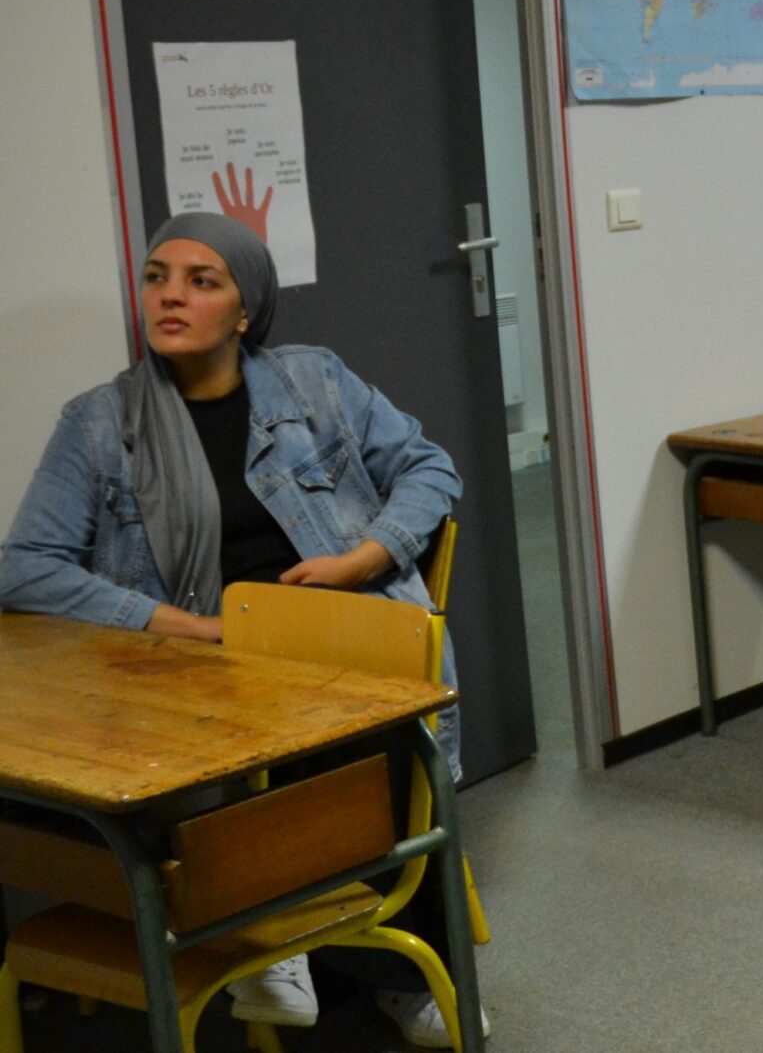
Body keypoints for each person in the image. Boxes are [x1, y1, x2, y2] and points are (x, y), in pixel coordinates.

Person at [0, 212, 477, 1046]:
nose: (171, 296)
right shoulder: (99, 423)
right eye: (157, 277)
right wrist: (176, 625)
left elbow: (429, 466)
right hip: (197, 662)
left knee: (361, 734)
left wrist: (364, 558)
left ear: (246, 309)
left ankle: (337, 953)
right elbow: (24, 564)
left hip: (337, 633)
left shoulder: (314, 382)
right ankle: (280, 936)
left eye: (201, 280)